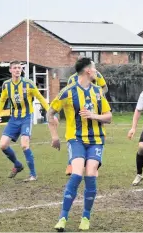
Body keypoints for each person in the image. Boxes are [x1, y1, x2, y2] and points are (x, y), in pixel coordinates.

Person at [49, 58, 112, 231]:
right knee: (76, 174)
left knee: (91, 173)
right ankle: (62, 217)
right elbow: (51, 112)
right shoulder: (67, 92)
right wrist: (54, 136)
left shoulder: (98, 92)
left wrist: (94, 116)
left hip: (96, 139)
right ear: (88, 72)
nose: (96, 71)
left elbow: (109, 117)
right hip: (75, 138)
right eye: (94, 69)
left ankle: (85, 216)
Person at [0, 60, 53, 181]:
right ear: (10, 70)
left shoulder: (29, 83)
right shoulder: (6, 85)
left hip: (26, 117)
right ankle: (17, 164)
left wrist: (50, 112)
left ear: (21, 70)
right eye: (15, 68)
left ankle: (33, 174)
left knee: (25, 145)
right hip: (14, 118)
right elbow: (1, 101)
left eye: (19, 68)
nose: (17, 70)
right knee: (3, 145)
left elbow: (40, 98)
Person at [65, 70, 108, 176]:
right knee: (75, 137)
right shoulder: (72, 79)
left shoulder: (98, 74)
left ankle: (93, 165)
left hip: (94, 106)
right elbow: (68, 94)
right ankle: (71, 163)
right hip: (78, 110)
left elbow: (105, 87)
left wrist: (98, 97)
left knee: (96, 130)